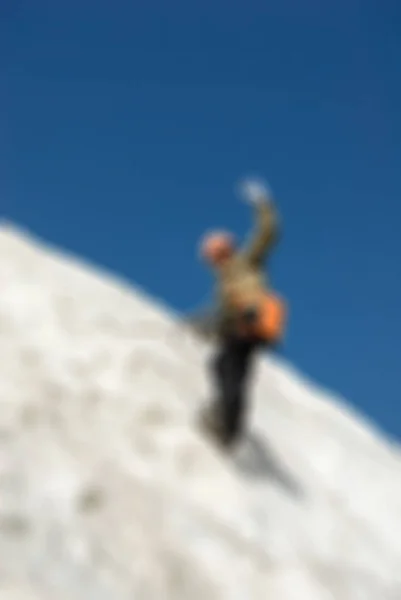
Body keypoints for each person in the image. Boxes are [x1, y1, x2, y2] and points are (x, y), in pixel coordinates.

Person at [198, 179, 287, 449]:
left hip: (251, 321)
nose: (215, 260)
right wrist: (201, 325)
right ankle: (228, 422)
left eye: (215, 253)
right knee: (224, 367)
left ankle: (228, 427)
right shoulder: (224, 283)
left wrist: (262, 203)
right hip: (241, 325)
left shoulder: (246, 261)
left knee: (229, 368)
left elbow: (268, 232)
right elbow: (223, 313)